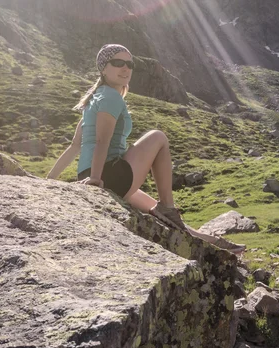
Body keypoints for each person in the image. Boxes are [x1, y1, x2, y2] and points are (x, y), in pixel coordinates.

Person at [47, 44, 245, 254]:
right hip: (107, 176)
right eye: (118, 63)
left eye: (129, 64)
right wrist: (96, 178)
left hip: (92, 175)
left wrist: (47, 181)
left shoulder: (94, 100)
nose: (125, 68)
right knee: (158, 137)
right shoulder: (111, 97)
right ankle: (169, 206)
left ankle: (213, 243)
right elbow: (101, 141)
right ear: (103, 68)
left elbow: (74, 146)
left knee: (154, 211)